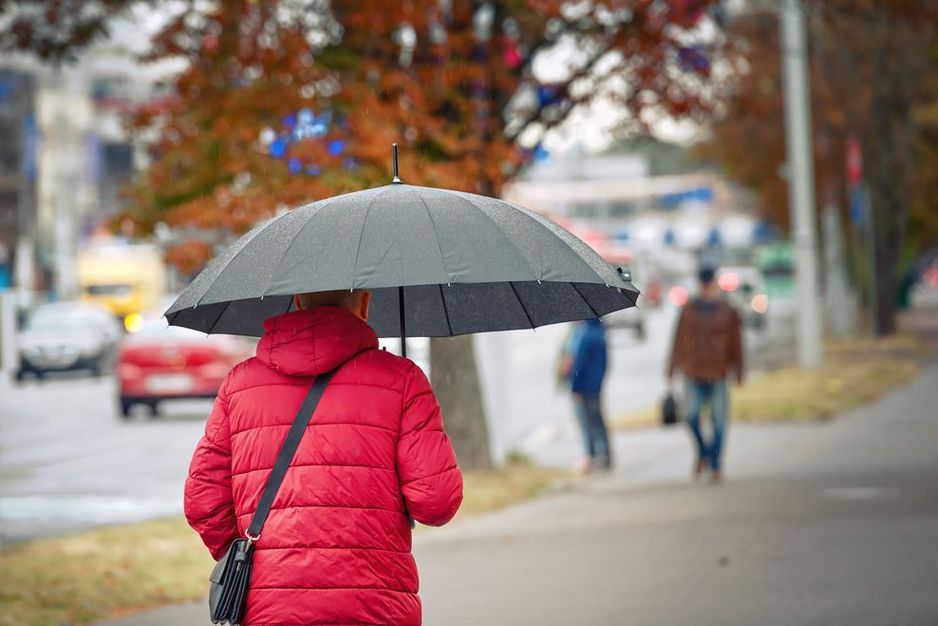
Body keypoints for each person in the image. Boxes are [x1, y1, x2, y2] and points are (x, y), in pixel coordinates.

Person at [184, 289, 463, 626]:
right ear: (365, 303)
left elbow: (202, 501)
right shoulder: (402, 379)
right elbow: (436, 502)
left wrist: (259, 559)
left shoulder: (240, 384)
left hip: (270, 608)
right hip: (376, 604)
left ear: (298, 302)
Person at [667, 267, 744, 483]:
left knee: (719, 421)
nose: (707, 289)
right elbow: (678, 339)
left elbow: (736, 343)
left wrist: (739, 370)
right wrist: (672, 367)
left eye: (709, 285)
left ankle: (715, 462)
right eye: (704, 285)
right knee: (691, 416)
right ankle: (703, 452)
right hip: (693, 371)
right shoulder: (689, 310)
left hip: (718, 372)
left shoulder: (727, 311)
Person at [561, 318, 611, 472]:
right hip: (593, 385)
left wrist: (575, 386)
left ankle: (593, 455)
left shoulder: (585, 334)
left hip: (584, 387)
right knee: (596, 420)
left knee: (587, 422)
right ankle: (601, 454)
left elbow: (579, 364)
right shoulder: (597, 333)